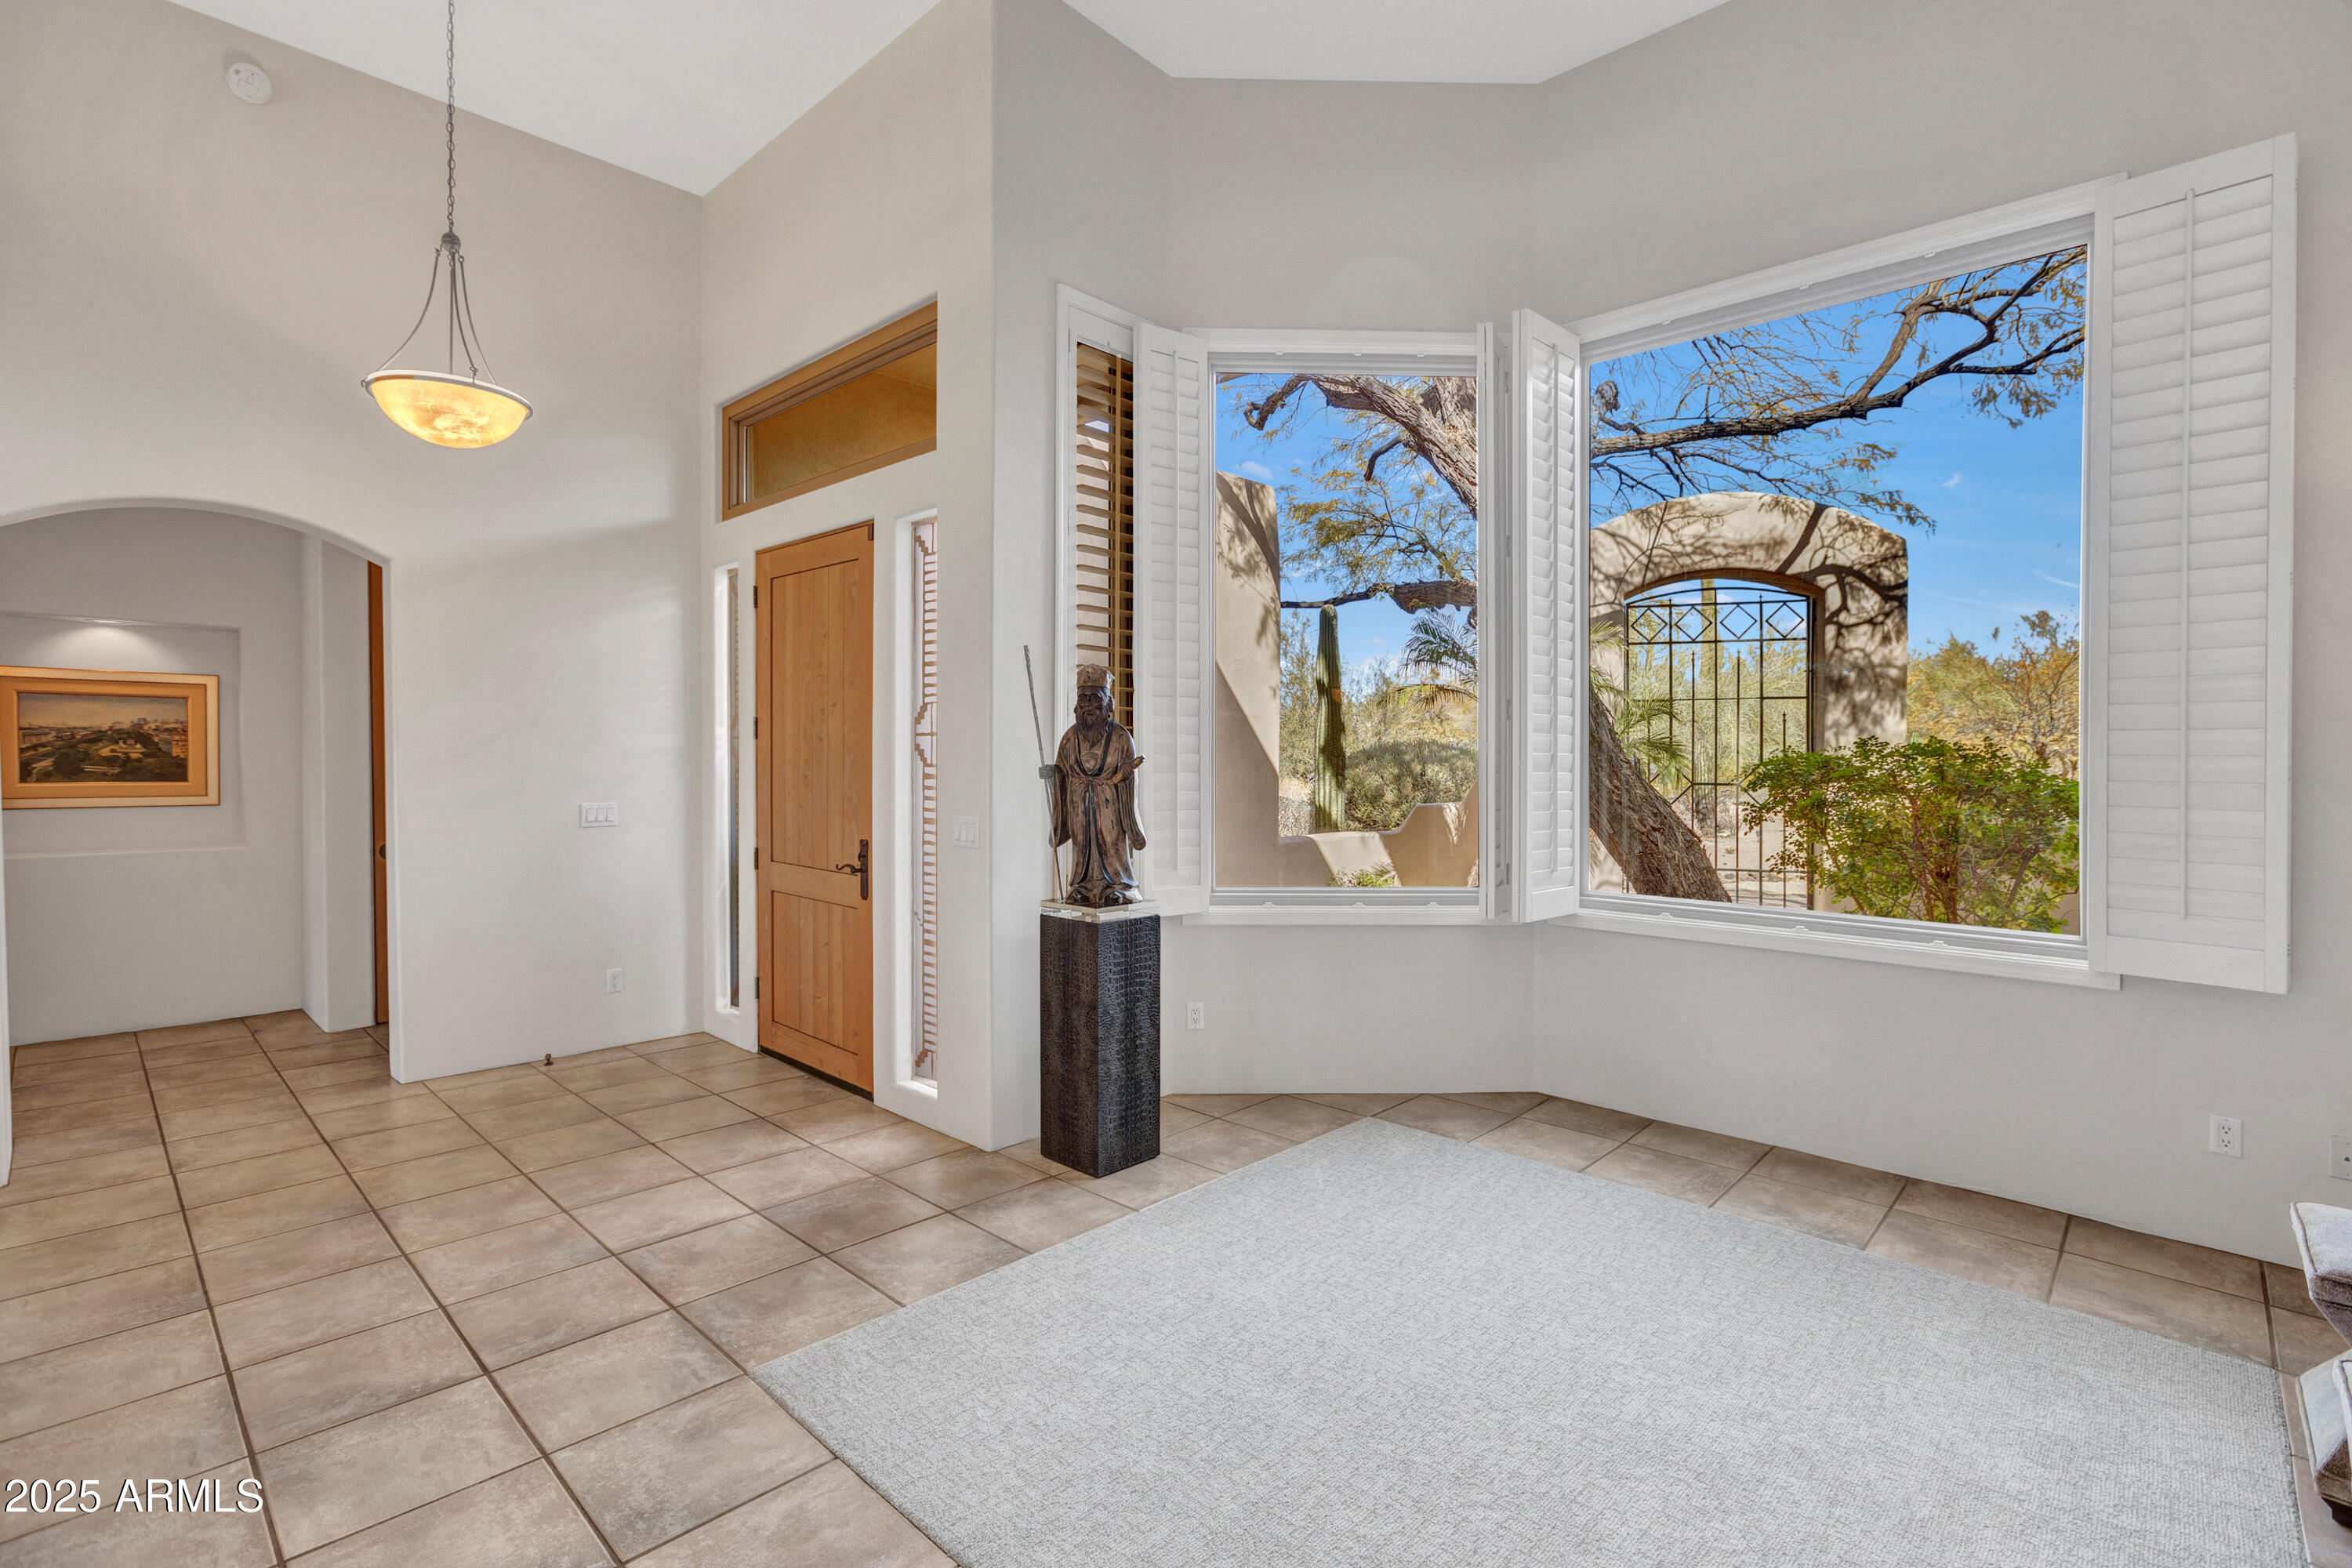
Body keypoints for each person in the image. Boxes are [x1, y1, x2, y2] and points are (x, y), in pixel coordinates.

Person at [1051, 664, 1147, 906]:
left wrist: (1122, 779)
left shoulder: (1121, 737)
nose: (1088, 705)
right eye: (1083, 698)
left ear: (1107, 702)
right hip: (1079, 807)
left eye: (1094, 698)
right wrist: (1054, 774)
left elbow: (1128, 776)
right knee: (1083, 847)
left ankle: (1119, 885)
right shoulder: (1069, 738)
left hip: (1110, 808)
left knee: (1111, 844)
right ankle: (1083, 887)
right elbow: (1062, 770)